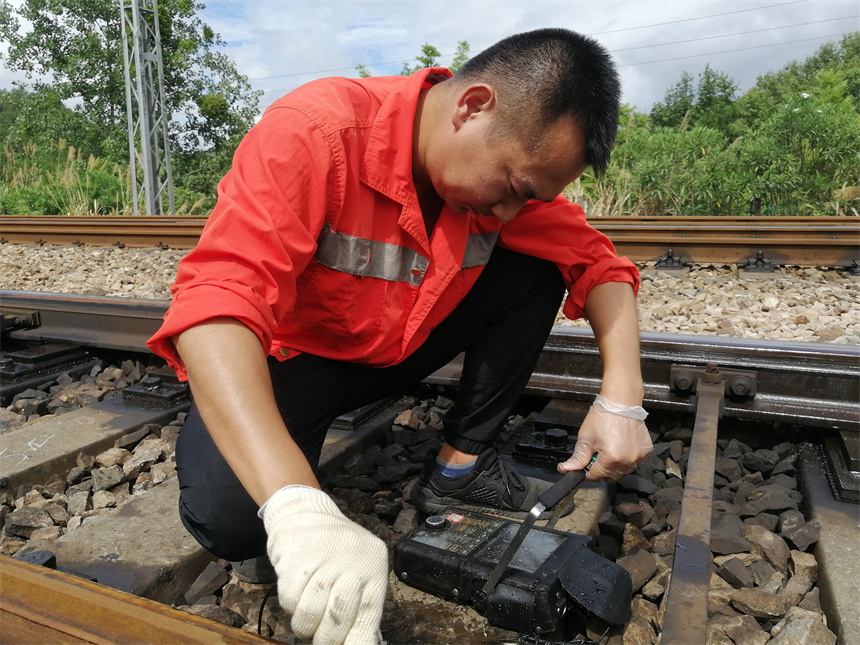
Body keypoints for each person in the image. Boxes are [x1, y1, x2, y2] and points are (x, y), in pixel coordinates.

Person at [147, 27, 652, 645]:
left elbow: (599, 266)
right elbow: (216, 299)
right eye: (516, 188)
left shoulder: (495, 183)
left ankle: (460, 470)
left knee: (538, 268)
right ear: (472, 108)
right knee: (234, 523)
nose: (512, 213)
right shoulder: (316, 130)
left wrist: (621, 398)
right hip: (293, 361)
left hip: (395, 350)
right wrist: (297, 507)